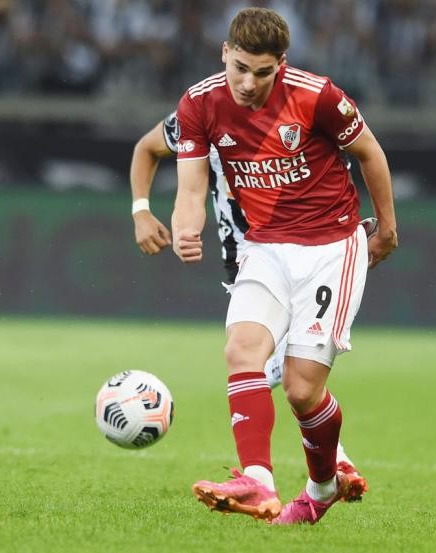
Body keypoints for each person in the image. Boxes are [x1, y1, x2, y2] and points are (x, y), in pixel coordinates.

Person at [170, 8, 398, 525]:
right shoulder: (199, 103)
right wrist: (186, 227)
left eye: (263, 72)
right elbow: (191, 188)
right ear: (224, 53)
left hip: (330, 247)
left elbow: (370, 153)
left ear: (282, 64)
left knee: (301, 389)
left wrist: (386, 227)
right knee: (241, 349)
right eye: (240, 68)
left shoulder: (318, 97)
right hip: (265, 246)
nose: (249, 83)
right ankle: (257, 480)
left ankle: (322, 488)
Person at [130, 112, 373, 502]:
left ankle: (312, 473)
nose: (245, 87)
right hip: (249, 259)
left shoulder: (298, 109)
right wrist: (141, 210)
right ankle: (326, 469)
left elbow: (357, 152)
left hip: (307, 252)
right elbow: (147, 147)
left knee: (287, 374)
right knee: (273, 368)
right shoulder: (202, 114)